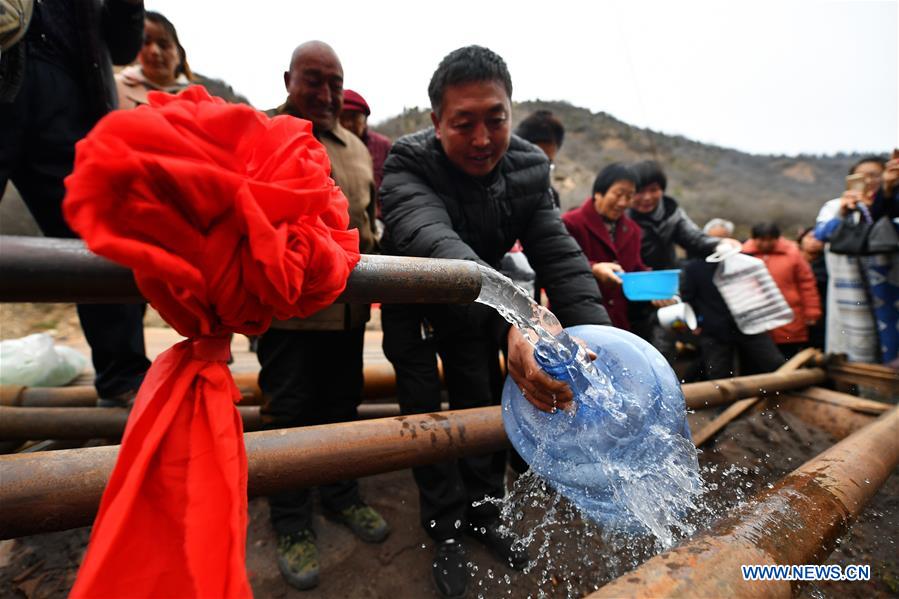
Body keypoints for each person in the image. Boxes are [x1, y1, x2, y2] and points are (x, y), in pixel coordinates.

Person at [379, 45, 610, 599]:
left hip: (483, 303)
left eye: (495, 119)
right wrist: (520, 313)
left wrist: (605, 341)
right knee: (421, 413)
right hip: (416, 301)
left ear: (512, 109)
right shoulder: (406, 164)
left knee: (482, 398)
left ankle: (486, 513)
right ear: (436, 122)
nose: (483, 139)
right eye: (464, 124)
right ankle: (444, 528)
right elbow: (435, 243)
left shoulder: (529, 168)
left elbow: (561, 259)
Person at [259, 40, 386, 592]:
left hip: (348, 316)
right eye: (314, 81)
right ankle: (290, 523)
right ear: (288, 79)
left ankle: (340, 497)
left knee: (342, 406)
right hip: (287, 316)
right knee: (287, 415)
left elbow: (368, 228)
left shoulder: (356, 149)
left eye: (336, 83)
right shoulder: (261, 134)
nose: (327, 94)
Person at [1, 0, 151, 406]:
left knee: (99, 233)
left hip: (70, 88)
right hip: (6, 54)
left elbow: (122, 47)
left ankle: (124, 375)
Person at [626, 160, 730, 360]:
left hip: (665, 292)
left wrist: (719, 245)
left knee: (662, 349)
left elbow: (694, 237)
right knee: (631, 348)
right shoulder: (622, 217)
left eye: (654, 190)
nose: (646, 197)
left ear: (662, 190)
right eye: (639, 191)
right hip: (629, 290)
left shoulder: (671, 213)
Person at [814, 155, 898, 365]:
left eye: (875, 175)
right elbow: (821, 234)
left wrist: (886, 195)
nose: (869, 180)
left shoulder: (892, 204)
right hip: (850, 291)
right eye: (862, 175)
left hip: (890, 288)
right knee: (856, 343)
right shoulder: (835, 206)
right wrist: (844, 212)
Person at [682, 220, 786, 379]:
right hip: (714, 329)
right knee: (718, 374)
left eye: (722, 239)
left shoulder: (743, 262)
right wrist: (697, 322)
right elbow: (688, 298)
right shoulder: (695, 267)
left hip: (749, 324)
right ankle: (721, 404)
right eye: (712, 239)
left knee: (773, 364)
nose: (716, 244)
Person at [562, 162, 647, 330]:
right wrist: (593, 269)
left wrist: (660, 291)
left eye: (629, 196)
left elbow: (635, 268)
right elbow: (560, 264)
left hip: (617, 324)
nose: (623, 202)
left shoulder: (633, 231)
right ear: (598, 193)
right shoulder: (570, 223)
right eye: (618, 194)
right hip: (574, 321)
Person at [742, 223, 821, 359]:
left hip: (790, 314)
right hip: (756, 315)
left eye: (770, 239)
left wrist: (812, 312)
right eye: (761, 240)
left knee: (787, 352)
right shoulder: (743, 255)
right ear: (754, 239)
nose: (766, 244)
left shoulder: (792, 255)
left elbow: (807, 284)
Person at [114, 11, 192, 109]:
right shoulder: (113, 87)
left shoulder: (197, 99)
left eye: (163, 45)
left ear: (179, 54)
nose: (154, 51)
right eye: (146, 42)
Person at [339, 89, 392, 203]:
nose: (348, 124)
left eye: (354, 117)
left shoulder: (382, 145)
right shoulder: (327, 147)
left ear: (365, 121)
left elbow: (393, 186)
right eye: (343, 118)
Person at [797, 226, 827, 350]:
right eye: (810, 237)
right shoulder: (793, 261)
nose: (814, 241)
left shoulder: (827, 264)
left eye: (818, 238)